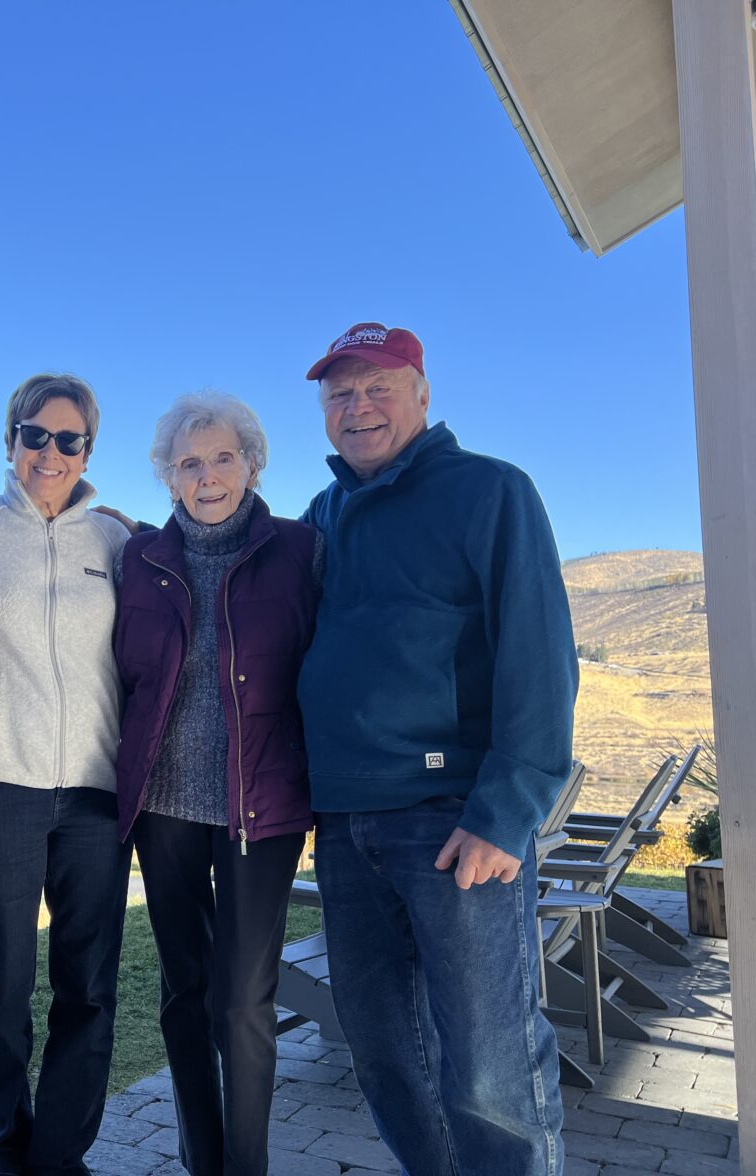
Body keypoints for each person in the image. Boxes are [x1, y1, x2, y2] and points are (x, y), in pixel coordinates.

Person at [297, 322, 577, 1176]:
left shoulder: (491, 492)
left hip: (454, 822)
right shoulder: (323, 516)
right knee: (388, 1058)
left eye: (378, 387)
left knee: (491, 1069)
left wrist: (504, 814)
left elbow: (540, 656)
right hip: (345, 825)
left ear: (422, 394)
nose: (358, 406)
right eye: (340, 394)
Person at [113, 392, 320, 1176]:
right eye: (189, 463)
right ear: (168, 476)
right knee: (185, 993)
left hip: (262, 805)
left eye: (223, 458)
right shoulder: (140, 558)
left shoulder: (301, 551)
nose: (208, 476)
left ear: (253, 465)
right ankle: (203, 1160)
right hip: (164, 805)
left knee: (241, 1000)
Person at [0, 374, 133, 1176]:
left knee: (88, 986)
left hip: (96, 792)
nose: (50, 453)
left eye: (69, 440)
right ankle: (4, 1147)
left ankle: (59, 1156)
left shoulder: (115, 542)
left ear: (88, 450)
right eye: (35, 435)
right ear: (11, 439)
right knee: (3, 986)